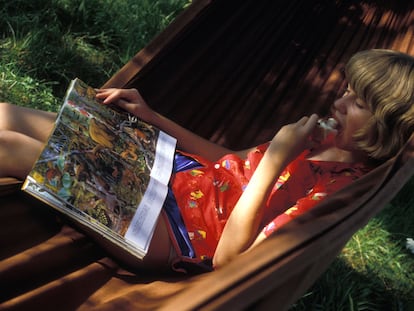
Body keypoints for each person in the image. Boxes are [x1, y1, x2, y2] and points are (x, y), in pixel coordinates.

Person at [0, 49, 413, 271]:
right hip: (167, 175)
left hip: (169, 233)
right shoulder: (316, 139)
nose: (339, 101)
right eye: (347, 91)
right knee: (8, 115)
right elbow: (231, 163)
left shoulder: (337, 189)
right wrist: (153, 117)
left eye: (357, 102)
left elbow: (229, 260)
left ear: (388, 126)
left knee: (12, 147)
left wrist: (277, 159)